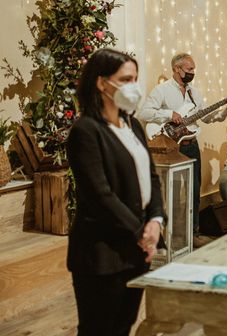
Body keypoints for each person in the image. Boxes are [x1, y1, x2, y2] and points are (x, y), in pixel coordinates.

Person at [67, 48, 165, 336]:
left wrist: (156, 220)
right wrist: (141, 234)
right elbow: (100, 195)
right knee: (100, 329)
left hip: (135, 250)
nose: (133, 86)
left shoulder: (132, 125)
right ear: (102, 83)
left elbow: (151, 176)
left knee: (124, 326)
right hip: (102, 251)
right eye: (125, 79)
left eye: (135, 78)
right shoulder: (86, 131)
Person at [138, 53, 227, 241]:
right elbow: (145, 113)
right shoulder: (161, 90)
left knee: (193, 191)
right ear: (176, 69)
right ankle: (171, 236)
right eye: (189, 69)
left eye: (193, 69)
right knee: (173, 193)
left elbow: (207, 117)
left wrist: (225, 110)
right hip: (171, 148)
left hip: (191, 146)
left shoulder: (195, 93)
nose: (193, 73)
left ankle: (192, 232)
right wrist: (169, 114)